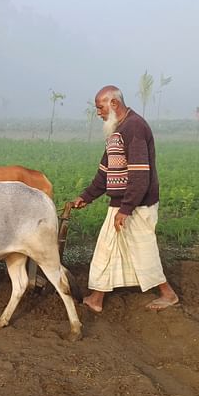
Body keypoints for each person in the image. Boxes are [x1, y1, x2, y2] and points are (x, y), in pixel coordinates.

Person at [72, 85, 179, 312]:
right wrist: (86, 197)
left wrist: (126, 208)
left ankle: (168, 294)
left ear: (114, 104)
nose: (98, 112)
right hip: (122, 203)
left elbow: (140, 174)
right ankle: (97, 299)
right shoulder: (116, 130)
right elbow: (105, 171)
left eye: (100, 107)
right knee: (108, 248)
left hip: (138, 205)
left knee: (142, 250)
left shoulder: (135, 127)